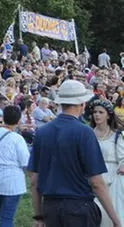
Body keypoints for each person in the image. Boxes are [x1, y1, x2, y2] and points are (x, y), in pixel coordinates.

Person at [29, 79, 121, 227]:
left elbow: (34, 179)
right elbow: (97, 182)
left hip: (50, 207)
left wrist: (39, 216)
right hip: (79, 207)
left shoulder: (42, 132)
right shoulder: (85, 132)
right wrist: (115, 220)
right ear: (82, 104)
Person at [88, 98, 124, 227]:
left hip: (113, 177)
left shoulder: (117, 135)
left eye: (101, 112)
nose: (97, 115)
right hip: (93, 176)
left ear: (108, 115)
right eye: (95, 112)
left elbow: (123, 157)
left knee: (115, 212)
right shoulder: (88, 134)